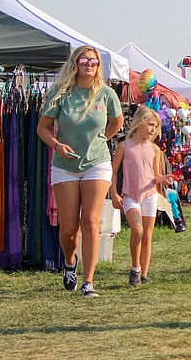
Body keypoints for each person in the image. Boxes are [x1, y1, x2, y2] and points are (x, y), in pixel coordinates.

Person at [37, 46, 125, 298]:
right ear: (75, 63)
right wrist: (57, 145)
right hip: (64, 166)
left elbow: (117, 122)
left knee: (91, 221)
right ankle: (69, 261)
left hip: (97, 163)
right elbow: (43, 127)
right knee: (68, 228)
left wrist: (101, 139)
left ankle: (89, 282)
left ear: (99, 66)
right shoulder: (60, 93)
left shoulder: (107, 94)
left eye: (94, 61)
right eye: (84, 60)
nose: (89, 64)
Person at [110, 107, 171, 286]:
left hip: (150, 194)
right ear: (140, 122)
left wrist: (164, 179)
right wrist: (114, 193)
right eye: (151, 125)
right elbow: (113, 172)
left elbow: (155, 175)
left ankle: (144, 273)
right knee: (137, 230)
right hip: (130, 195)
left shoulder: (155, 150)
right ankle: (135, 267)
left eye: (156, 126)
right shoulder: (124, 146)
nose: (153, 129)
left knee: (148, 235)